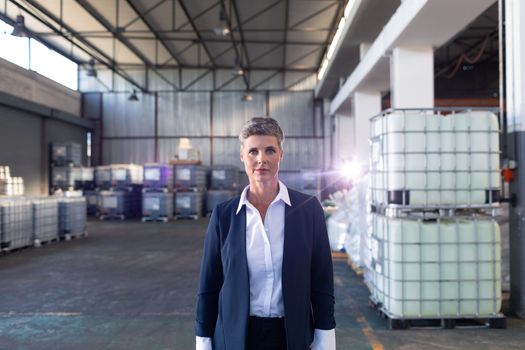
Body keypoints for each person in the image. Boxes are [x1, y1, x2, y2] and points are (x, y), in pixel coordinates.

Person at [195, 117, 335, 350]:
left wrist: (325, 338)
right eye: (253, 151)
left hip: (291, 337)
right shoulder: (224, 216)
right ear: (243, 157)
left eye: (269, 150)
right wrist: (203, 340)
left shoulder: (308, 210)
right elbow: (209, 284)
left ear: (280, 154)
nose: (261, 159)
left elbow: (321, 281)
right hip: (236, 338)